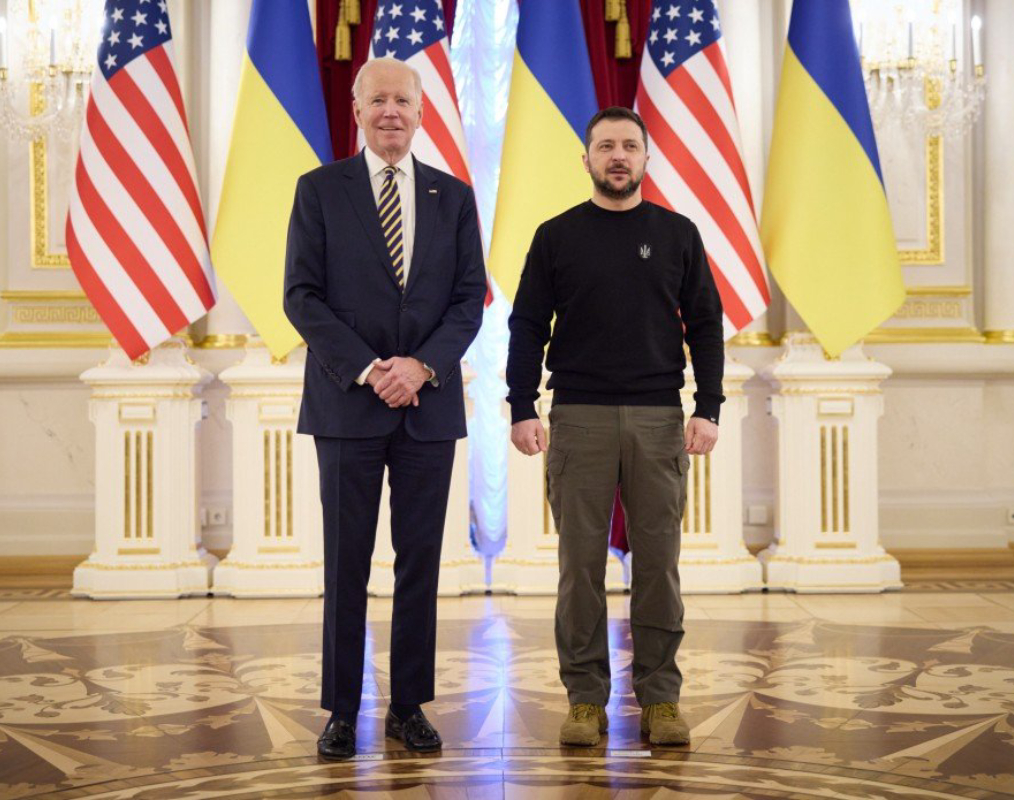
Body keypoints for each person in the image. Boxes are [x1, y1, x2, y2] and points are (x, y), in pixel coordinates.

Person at [283, 57, 486, 761]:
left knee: (420, 563)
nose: (391, 111)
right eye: (378, 100)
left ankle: (408, 707)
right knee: (346, 564)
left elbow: (469, 299)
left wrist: (421, 366)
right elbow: (301, 296)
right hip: (347, 405)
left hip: (428, 406)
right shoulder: (319, 190)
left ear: (421, 113)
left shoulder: (453, 196)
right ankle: (342, 711)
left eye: (403, 100)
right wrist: (372, 370)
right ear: (358, 110)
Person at [506, 106, 724, 747]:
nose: (618, 156)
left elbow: (705, 324)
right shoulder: (556, 236)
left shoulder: (679, 234)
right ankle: (584, 701)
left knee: (659, 565)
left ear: (647, 157)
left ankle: (661, 700)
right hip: (578, 419)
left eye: (630, 145)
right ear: (587, 159)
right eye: (606, 146)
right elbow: (526, 325)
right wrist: (522, 406)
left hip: (660, 418)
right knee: (580, 568)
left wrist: (708, 407)